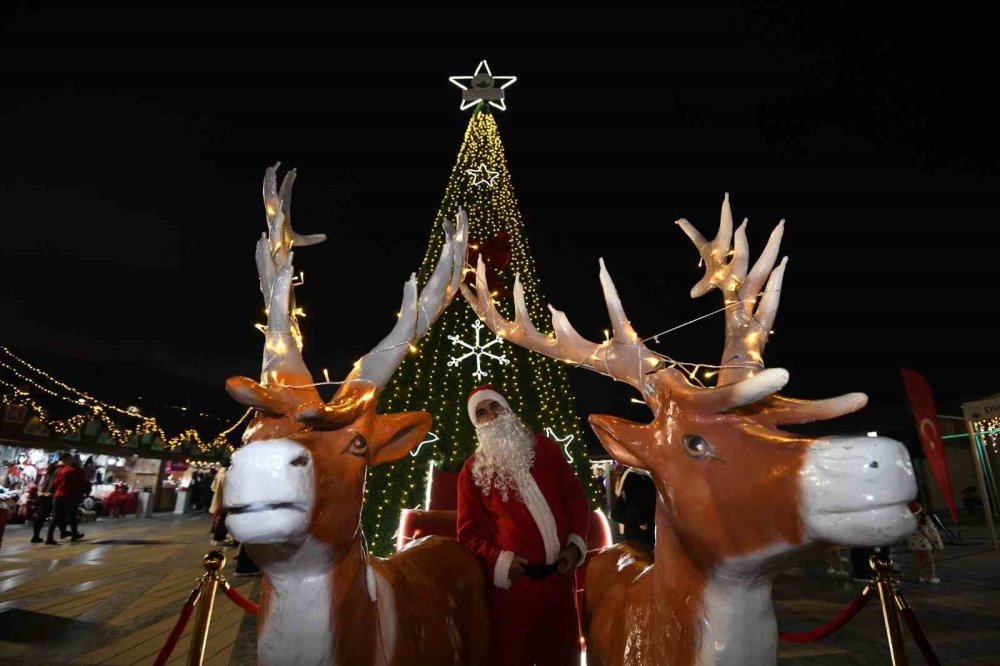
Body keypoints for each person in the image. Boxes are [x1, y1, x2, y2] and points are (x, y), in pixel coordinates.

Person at [457, 385, 590, 666]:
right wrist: (501, 562)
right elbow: (469, 534)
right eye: (481, 413)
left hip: (559, 585)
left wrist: (575, 546)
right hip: (514, 594)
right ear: (477, 426)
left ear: (507, 409)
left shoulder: (544, 449)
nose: (491, 416)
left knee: (564, 657)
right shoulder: (472, 471)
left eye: (494, 406)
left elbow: (575, 500)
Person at [610, 465, 656, 547]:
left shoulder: (641, 474)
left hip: (642, 522)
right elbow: (633, 501)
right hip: (639, 526)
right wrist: (640, 521)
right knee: (640, 549)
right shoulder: (634, 475)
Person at [46, 453, 85, 544]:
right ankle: (74, 534)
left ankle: (49, 537)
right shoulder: (71, 471)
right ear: (66, 460)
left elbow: (55, 484)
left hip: (58, 495)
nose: (72, 461)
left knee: (55, 517)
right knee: (72, 516)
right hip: (67, 496)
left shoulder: (60, 471)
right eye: (70, 459)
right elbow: (74, 485)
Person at [907, 500, 943, 583]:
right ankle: (932, 577)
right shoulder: (923, 519)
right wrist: (933, 543)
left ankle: (921, 576)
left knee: (919, 561)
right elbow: (926, 532)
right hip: (924, 543)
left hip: (913, 544)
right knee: (930, 561)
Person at [210, 463, 229, 545]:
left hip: (217, 497)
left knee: (218, 515)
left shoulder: (218, 475)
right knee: (223, 518)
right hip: (226, 499)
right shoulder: (227, 476)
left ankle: (214, 529)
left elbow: (213, 487)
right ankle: (219, 536)